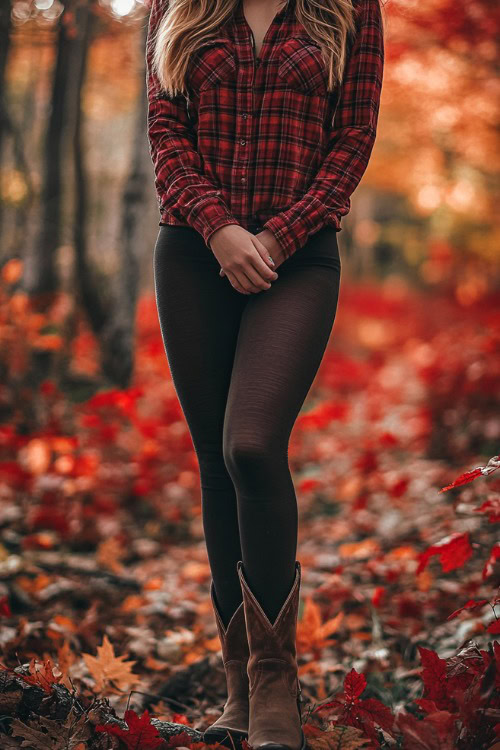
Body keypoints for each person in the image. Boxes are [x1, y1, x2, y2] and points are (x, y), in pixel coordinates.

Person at [146, 0, 384, 746]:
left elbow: (353, 140)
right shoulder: (175, 6)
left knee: (250, 444)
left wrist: (276, 237)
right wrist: (217, 227)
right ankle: (239, 691)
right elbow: (164, 130)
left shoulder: (349, 10)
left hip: (300, 255)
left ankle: (276, 683)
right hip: (193, 251)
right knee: (217, 465)